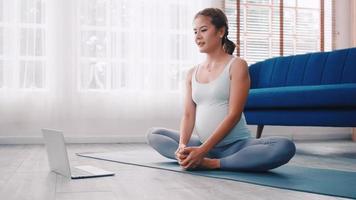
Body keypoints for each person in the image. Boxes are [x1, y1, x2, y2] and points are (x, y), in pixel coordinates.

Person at [146, 8, 296, 172]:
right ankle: (191, 157)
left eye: (203, 30)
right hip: (204, 146)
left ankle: (210, 163)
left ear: (221, 31)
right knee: (154, 134)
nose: (197, 37)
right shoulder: (191, 73)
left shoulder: (237, 65)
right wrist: (182, 146)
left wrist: (202, 152)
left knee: (285, 146)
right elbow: (188, 115)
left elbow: (234, 115)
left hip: (236, 147)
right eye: (195, 31)